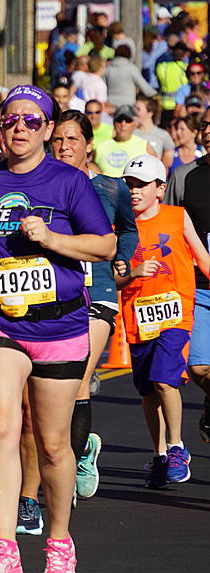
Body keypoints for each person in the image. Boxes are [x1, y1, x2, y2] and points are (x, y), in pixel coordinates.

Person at [0, 85, 115, 573]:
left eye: (31, 120)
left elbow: (105, 245)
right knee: (0, 425)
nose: (19, 127)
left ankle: (59, 544)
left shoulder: (69, 182)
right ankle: (4, 546)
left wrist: (51, 239)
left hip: (60, 325)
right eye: (10, 120)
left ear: (47, 129)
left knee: (51, 445)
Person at [50, 110, 138, 500]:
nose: (65, 147)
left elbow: (130, 230)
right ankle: (83, 448)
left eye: (72, 140)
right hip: (53, 292)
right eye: (58, 140)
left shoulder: (111, 187)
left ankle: (67, 468)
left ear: (89, 145)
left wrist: (124, 258)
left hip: (98, 291)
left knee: (80, 377)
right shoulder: (43, 186)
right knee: (55, 385)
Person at [116, 154, 210, 488]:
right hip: (138, 316)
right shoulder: (119, 227)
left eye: (141, 185)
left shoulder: (177, 217)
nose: (134, 192)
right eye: (128, 185)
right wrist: (133, 274)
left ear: (160, 188)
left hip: (176, 313)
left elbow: (203, 258)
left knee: (164, 380)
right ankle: (159, 455)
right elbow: (111, 279)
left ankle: (176, 447)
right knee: (148, 391)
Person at [165, 108, 210, 444]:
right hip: (199, 288)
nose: (207, 131)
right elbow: (166, 228)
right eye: (205, 125)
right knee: (197, 367)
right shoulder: (183, 176)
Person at [94, 105, 155, 177]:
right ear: (114, 123)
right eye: (119, 120)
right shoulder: (100, 146)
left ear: (135, 123)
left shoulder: (144, 145)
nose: (123, 124)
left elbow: (156, 169)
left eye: (128, 120)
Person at [135, 96, 175, 170]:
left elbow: (166, 164)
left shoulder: (163, 135)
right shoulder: (131, 134)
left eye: (138, 109)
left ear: (150, 113)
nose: (134, 112)